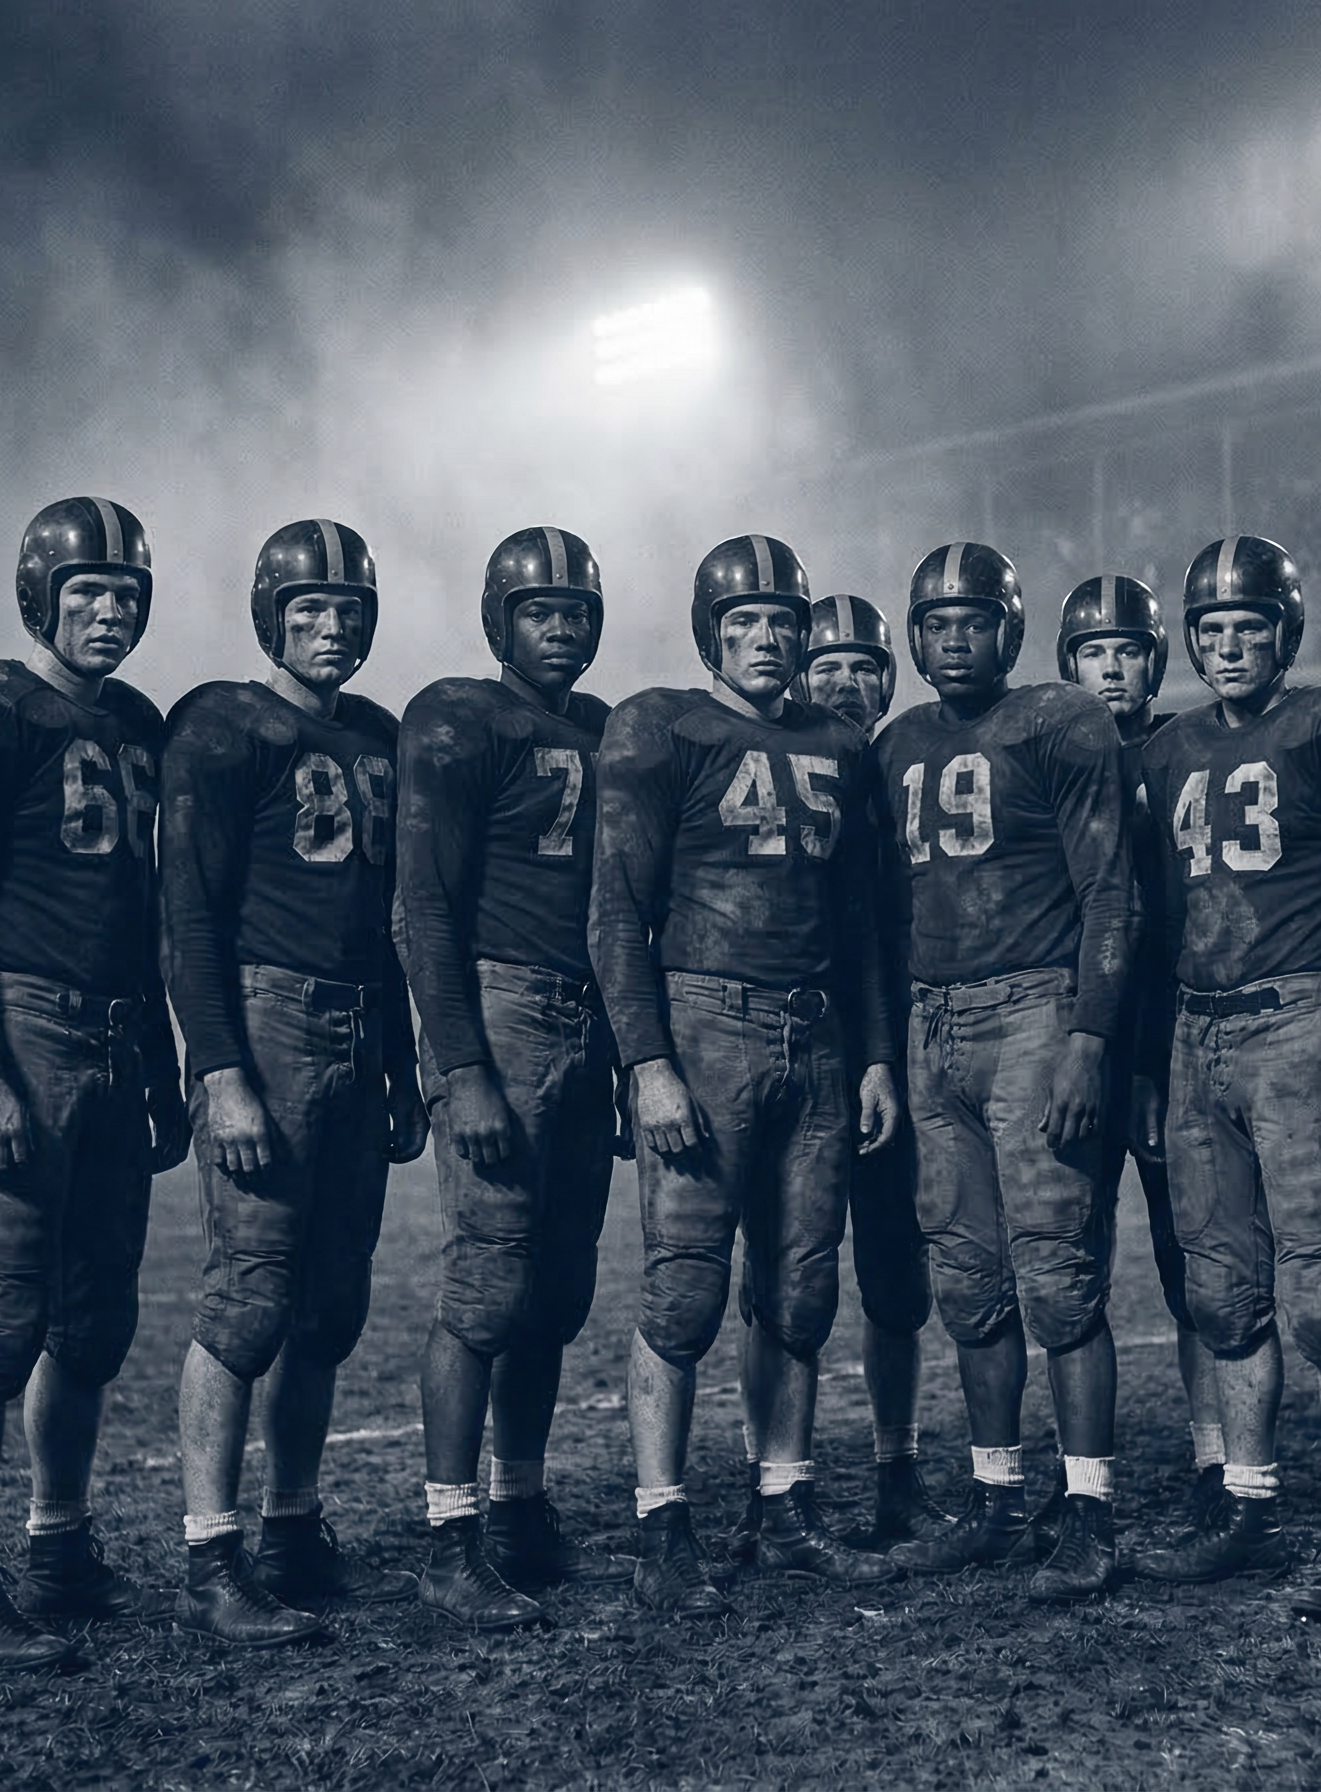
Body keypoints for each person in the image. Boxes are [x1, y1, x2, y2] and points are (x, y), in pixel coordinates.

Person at [0, 496, 189, 1669]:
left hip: (116, 1038)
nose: (110, 612)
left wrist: (160, 1065)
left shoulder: (137, 725)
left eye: (126, 594)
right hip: (23, 1032)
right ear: (40, 597)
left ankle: (57, 1546)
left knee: (93, 1320)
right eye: (88, 593)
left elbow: (142, 918)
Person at [589, 534, 902, 1616]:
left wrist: (874, 1055)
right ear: (710, 635)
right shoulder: (661, 728)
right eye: (744, 623)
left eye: (781, 621)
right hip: (706, 1024)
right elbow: (616, 914)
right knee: (683, 1291)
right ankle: (661, 1526)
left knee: (802, 1291)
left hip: (818, 1036)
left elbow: (859, 925)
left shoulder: (839, 744)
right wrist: (648, 1062)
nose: (766, 638)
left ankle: (783, 1505)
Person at [1134, 535, 1321, 1622]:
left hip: (1303, 1025)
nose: (1228, 645)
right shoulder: (1168, 748)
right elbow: (1152, 918)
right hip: (1193, 1032)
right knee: (1218, 1290)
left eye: (1248, 627)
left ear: (1286, 634)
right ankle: (1245, 1505)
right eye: (1211, 629)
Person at [162, 518, 429, 1647]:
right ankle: (208, 1553)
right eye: (310, 609)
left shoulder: (378, 734)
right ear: (270, 616)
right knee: (249, 1298)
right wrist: (219, 1067)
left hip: (361, 1024)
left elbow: (391, 919)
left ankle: (290, 1526)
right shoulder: (223, 726)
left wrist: (403, 1061)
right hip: (268, 1020)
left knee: (328, 1305)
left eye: (348, 609)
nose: (331, 626)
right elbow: (187, 914)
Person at [877, 542, 1134, 1602]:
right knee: (968, 1281)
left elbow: (1110, 891)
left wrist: (1089, 1037)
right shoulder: (896, 744)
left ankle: (1090, 1509)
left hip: (1035, 1009)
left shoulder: (1063, 721)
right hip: (930, 1022)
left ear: (1010, 630)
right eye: (936, 624)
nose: (954, 641)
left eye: (973, 622)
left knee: (1058, 1277)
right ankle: (995, 1498)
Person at [397, 527, 629, 1629]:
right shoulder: (458, 717)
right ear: (500, 619)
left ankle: (519, 1506)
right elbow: (424, 907)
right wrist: (463, 1066)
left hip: (585, 1015)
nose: (563, 628)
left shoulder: (603, 727)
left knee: (556, 1289)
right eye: (541, 611)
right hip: (503, 1011)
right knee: (488, 1284)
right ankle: (447, 1539)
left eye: (578, 611)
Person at [1054, 574, 1218, 1536]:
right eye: (1093, 653)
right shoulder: (1045, 755)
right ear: (1067, 666)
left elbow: (1179, 922)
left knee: (1191, 1261)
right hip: (1071, 1041)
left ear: (1156, 663)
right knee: (1065, 1259)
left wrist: (1156, 1058)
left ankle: (1216, 1459)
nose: (1111, 670)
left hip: (1170, 1035)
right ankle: (1078, 1476)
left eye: (1126, 652)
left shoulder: (1183, 753)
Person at [795, 594, 947, 1548]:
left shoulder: (911, 765)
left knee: (897, 1279)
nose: (847, 684)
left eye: (864, 668)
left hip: (905, 1051)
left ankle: (899, 1471)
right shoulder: (766, 763)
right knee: (785, 1282)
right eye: (828, 667)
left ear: (891, 680)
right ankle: (779, 1487)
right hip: (798, 1048)